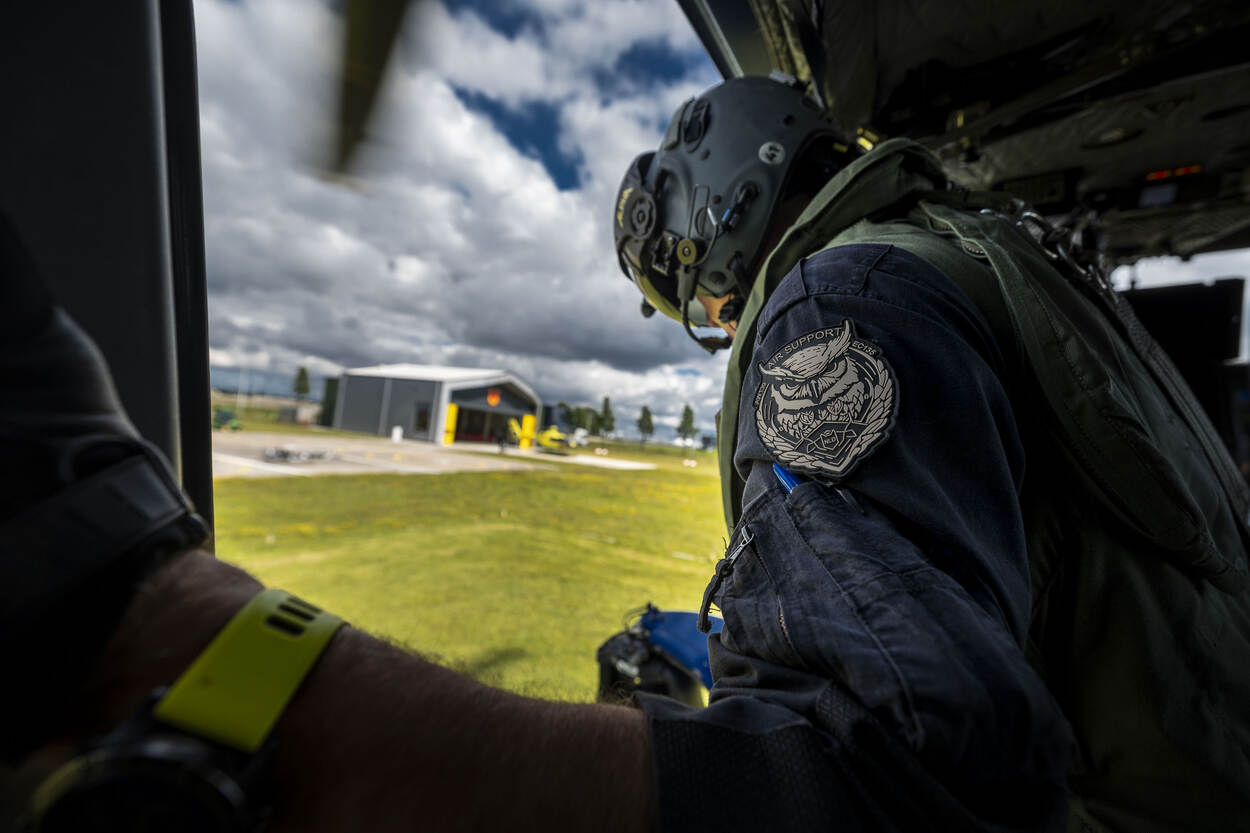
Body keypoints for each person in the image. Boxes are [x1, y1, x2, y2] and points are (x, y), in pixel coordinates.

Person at [3, 73, 1247, 832]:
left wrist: (191, 645)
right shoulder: (973, 255)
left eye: (677, 261)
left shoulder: (839, 302)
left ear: (724, 182)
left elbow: (892, 770)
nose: (699, 307)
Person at [611, 75, 1250, 831]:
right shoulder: (971, 247)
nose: (718, 324)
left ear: (724, 206)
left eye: (694, 291)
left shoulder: (841, 302)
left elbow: (858, 746)